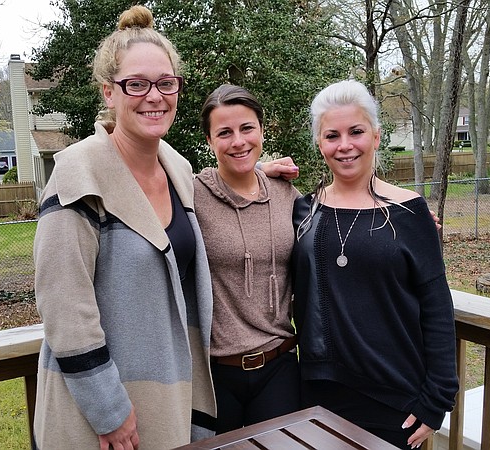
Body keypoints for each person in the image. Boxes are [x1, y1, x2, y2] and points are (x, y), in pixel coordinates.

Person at [32, 6, 216, 449]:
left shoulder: (179, 170)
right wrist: (108, 411)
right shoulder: (80, 171)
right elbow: (64, 305)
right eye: (136, 84)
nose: (155, 96)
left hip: (168, 396)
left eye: (166, 83)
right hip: (100, 415)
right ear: (109, 93)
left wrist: (262, 171)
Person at [291, 79, 459, 450]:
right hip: (319, 391)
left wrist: (438, 399)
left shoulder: (409, 213)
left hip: (394, 399)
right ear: (320, 144)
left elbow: (437, 308)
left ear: (377, 137)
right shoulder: (305, 211)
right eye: (332, 135)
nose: (345, 145)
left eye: (356, 131)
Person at [193, 84, 301, 432]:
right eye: (224, 132)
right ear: (210, 141)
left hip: (280, 364)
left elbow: (330, 235)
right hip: (215, 373)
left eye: (246, 128)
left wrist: (399, 213)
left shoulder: (286, 192)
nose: (238, 141)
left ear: (262, 131)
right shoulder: (190, 194)